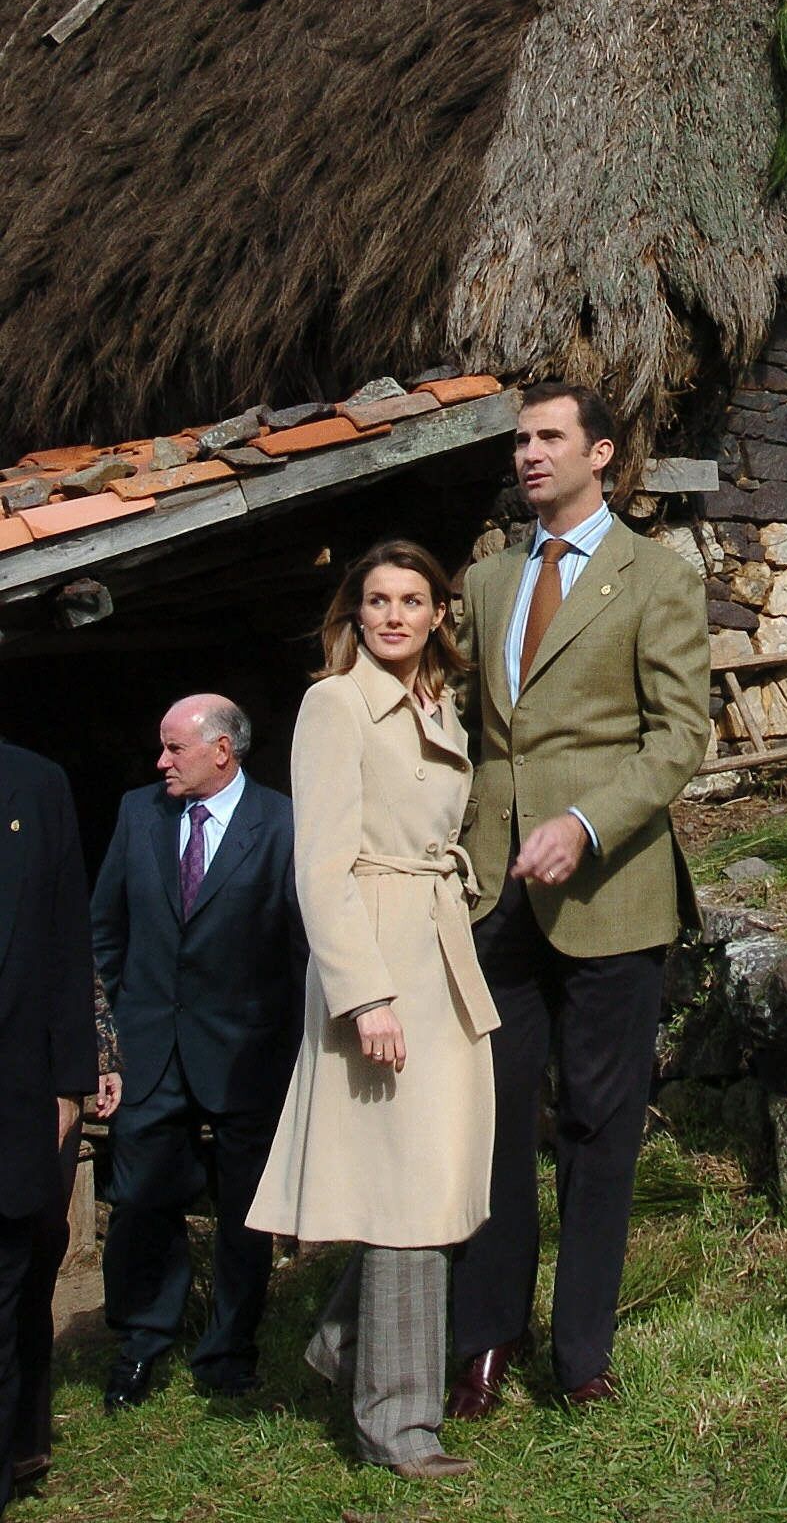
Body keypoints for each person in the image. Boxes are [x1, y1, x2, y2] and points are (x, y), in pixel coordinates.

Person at [448, 380, 710, 1418]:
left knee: (599, 1129)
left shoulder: (655, 579)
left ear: (602, 454)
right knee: (494, 1125)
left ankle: (581, 1353)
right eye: (519, 439)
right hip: (489, 892)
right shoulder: (483, 581)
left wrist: (587, 822)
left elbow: (677, 736)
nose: (528, 453)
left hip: (610, 890)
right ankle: (483, 1339)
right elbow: (459, 726)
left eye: (549, 437)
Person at [248, 542, 498, 1482]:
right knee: (405, 1199)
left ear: (439, 613)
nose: (393, 616)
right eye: (376, 602)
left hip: (439, 946)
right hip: (382, 958)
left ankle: (342, 1344)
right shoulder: (336, 703)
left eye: (412, 601)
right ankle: (400, 1427)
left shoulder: (439, 705)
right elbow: (319, 865)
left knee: (432, 1178)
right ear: (354, 615)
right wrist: (364, 995)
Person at [92, 695, 304, 1406]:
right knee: (141, 1200)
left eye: (174, 748)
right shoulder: (137, 814)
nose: (161, 762)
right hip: (151, 1045)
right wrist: (111, 1038)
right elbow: (107, 931)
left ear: (223, 750)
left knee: (245, 1207)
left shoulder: (283, 824)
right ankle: (141, 1343)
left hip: (247, 1050)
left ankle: (228, 1351)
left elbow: (301, 945)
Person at [0, 738, 97, 1517]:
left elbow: (68, 940)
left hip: (15, 1093)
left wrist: (71, 1079)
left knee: (10, 1283)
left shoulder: (37, 784)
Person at [10, 979, 120, 1495]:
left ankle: (24, 1434)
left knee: (35, 1249)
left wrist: (92, 1065)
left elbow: (76, 966)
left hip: (39, 1079)